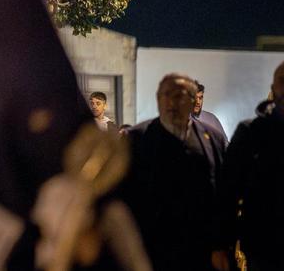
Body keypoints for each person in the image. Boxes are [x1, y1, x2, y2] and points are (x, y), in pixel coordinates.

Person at [121, 73, 226, 270]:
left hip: (200, 248)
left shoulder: (212, 139)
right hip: (152, 248)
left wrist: (220, 245)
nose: (170, 102)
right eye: (164, 95)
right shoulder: (135, 139)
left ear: (193, 100)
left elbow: (222, 194)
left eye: (178, 96)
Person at [214, 60, 284, 271]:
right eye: (283, 81)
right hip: (266, 250)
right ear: (273, 89)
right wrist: (220, 245)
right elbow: (227, 192)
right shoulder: (250, 133)